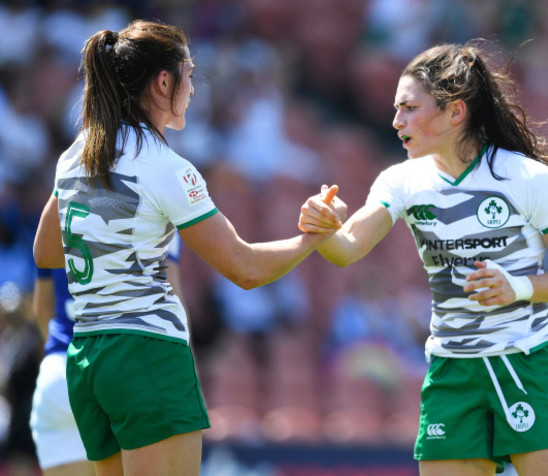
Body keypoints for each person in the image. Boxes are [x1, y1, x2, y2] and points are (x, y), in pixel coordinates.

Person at [32, 19, 341, 476]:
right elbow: (245, 268)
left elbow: (47, 252)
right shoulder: (166, 166)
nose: (193, 89)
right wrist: (310, 239)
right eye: (189, 75)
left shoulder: (76, 154)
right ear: (163, 81)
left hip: (88, 358)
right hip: (146, 354)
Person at [299, 41, 548, 476]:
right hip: (453, 373)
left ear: (455, 113)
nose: (396, 120)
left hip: (529, 364)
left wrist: (518, 287)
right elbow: (347, 250)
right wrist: (322, 226)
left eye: (409, 108)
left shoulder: (528, 179)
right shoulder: (400, 180)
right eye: (396, 108)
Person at [29, 233, 183, 476]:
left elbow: (41, 309)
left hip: (60, 373)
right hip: (124, 372)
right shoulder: (157, 199)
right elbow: (172, 301)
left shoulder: (60, 202)